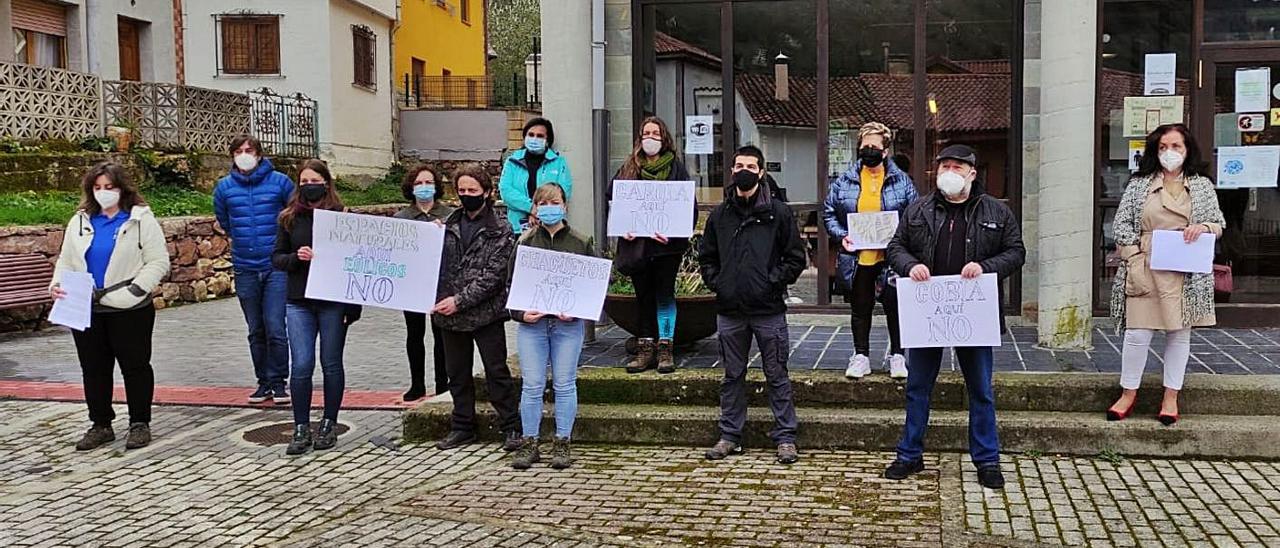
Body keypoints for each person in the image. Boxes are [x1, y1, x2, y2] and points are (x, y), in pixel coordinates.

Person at [883, 144, 1025, 490]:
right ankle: (910, 454)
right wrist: (910, 265)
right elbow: (895, 247)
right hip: (927, 313)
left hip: (973, 313)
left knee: (981, 389)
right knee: (918, 387)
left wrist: (986, 267)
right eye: (944, 165)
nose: (950, 172)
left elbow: (1016, 251)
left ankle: (987, 460)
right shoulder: (918, 209)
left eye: (957, 167)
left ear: (972, 173)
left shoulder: (995, 211)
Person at [1107, 124, 1224, 426]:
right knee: (1137, 334)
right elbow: (1120, 227)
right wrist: (1133, 258)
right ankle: (1128, 392)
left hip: (1184, 270)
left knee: (1178, 335)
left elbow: (1218, 223)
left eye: (1176, 147)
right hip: (1145, 265)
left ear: (1187, 150)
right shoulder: (1139, 184)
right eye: (1162, 147)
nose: (1169, 153)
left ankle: (1171, 396)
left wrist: (1204, 228)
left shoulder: (1201, 185)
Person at [699, 146, 808, 465]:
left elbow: (795, 258)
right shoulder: (720, 215)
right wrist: (719, 282)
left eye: (750, 165)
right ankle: (729, 435)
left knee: (777, 374)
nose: (743, 170)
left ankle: (786, 437)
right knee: (732, 375)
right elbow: (707, 257)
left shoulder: (779, 213)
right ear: (731, 171)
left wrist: (772, 281)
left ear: (761, 172)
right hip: (730, 310)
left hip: (768, 310)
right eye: (738, 165)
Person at [50, 162, 170, 450]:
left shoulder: (140, 219)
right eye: (98, 188)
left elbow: (158, 260)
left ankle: (139, 422)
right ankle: (100, 423)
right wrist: (57, 284)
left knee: (135, 365)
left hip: (128, 305)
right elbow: (66, 260)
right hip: (87, 305)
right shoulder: (80, 221)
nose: (103, 193)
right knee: (93, 368)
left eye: (109, 187)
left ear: (121, 188)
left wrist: (137, 288)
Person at [272, 160, 362, 456]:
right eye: (304, 180)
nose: (309, 185)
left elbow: (356, 263)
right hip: (299, 301)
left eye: (315, 179)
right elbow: (277, 259)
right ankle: (300, 426)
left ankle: (328, 422)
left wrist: (353, 306)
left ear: (326, 182)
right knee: (301, 365)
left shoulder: (342, 216)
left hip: (333, 301)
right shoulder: (289, 218)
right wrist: (297, 257)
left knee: (331, 362)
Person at [433, 164, 522, 452]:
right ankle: (462, 427)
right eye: (462, 190)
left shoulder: (502, 229)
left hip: (486, 315)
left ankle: (511, 427)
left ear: (486, 191)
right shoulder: (446, 226)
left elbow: (493, 278)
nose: (467, 195)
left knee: (497, 372)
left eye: (473, 190)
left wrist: (458, 301)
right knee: (456, 374)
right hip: (449, 318)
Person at [509, 183, 596, 470]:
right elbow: (511, 287)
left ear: (564, 205)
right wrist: (521, 314)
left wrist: (578, 312)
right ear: (535, 208)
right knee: (532, 385)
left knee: (564, 383)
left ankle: (562, 442)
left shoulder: (582, 243)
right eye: (543, 203)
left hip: (566, 327)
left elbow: (593, 287)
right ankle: (529, 442)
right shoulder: (524, 243)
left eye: (554, 202)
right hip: (533, 327)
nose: (549, 207)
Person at [823, 122, 917, 379]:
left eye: (875, 146)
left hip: (891, 256)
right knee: (860, 308)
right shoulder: (845, 181)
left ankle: (898, 356)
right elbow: (829, 213)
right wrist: (841, 236)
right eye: (865, 146)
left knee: (895, 307)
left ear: (885, 150)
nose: (869, 150)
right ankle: (861, 355)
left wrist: (902, 241)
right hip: (858, 256)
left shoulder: (902, 182)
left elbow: (915, 215)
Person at [213, 134, 296, 405]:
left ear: (259, 154)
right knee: (255, 329)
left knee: (275, 326)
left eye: (249, 150)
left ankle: (279, 382)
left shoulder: (281, 182)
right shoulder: (224, 189)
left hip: (274, 266)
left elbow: (293, 215)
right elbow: (226, 222)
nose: (244, 154)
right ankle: (263, 382)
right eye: (238, 151)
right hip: (245, 266)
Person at [610, 116, 693, 374]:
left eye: (655, 133)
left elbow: (687, 205)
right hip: (639, 248)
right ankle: (646, 348)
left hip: (667, 248)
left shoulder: (676, 169)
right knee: (643, 297)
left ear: (664, 137)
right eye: (646, 132)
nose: (650, 138)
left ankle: (666, 347)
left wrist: (673, 233)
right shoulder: (629, 168)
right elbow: (612, 198)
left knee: (665, 295)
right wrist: (625, 228)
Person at [394, 164, 454, 402]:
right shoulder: (401, 217)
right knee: (414, 334)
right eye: (419, 183)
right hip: (412, 284)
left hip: (441, 283)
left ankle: (442, 383)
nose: (424, 187)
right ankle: (416, 383)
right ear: (411, 187)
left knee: (441, 336)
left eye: (428, 183)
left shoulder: (449, 215)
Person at [498, 117, 573, 233]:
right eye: (531, 134)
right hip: (518, 228)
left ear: (547, 140)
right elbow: (506, 191)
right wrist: (531, 208)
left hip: (551, 227)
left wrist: (539, 213)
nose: (535, 138)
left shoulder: (559, 163)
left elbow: (563, 192)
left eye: (540, 136)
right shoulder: (512, 161)